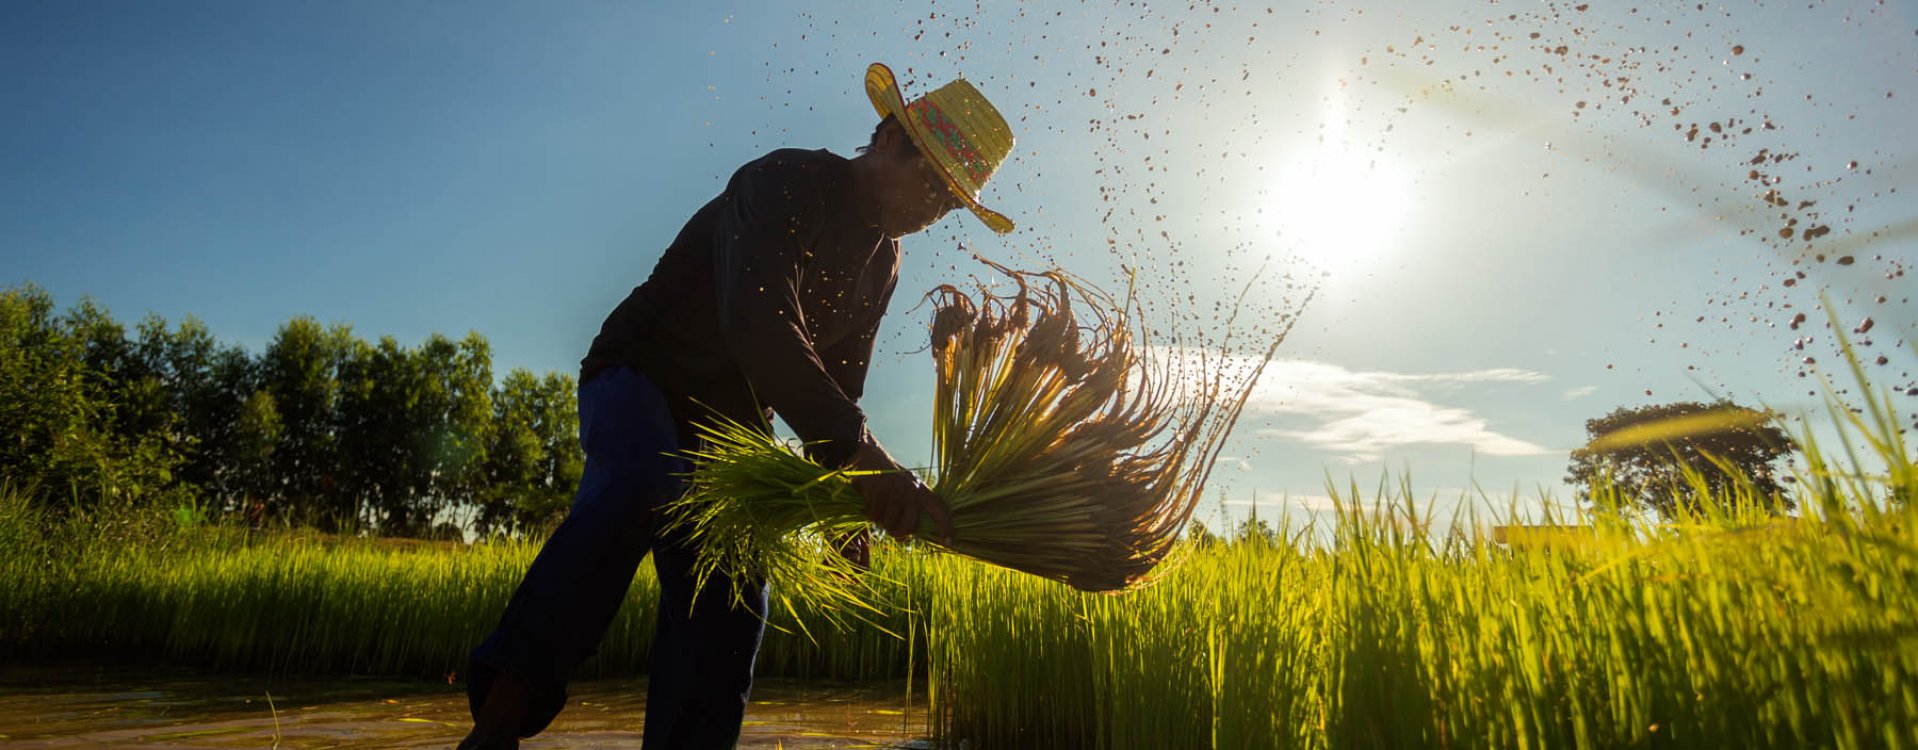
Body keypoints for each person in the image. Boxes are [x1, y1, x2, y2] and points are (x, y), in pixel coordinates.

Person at [457, 62, 1016, 750]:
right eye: (933, 183)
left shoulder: (885, 264)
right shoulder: (786, 181)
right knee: (636, 487)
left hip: (729, 426)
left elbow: (843, 386)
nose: (935, 210)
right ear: (892, 139)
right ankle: (497, 728)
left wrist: (843, 497)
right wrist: (863, 457)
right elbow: (760, 323)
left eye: (951, 204)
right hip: (641, 375)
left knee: (734, 587)